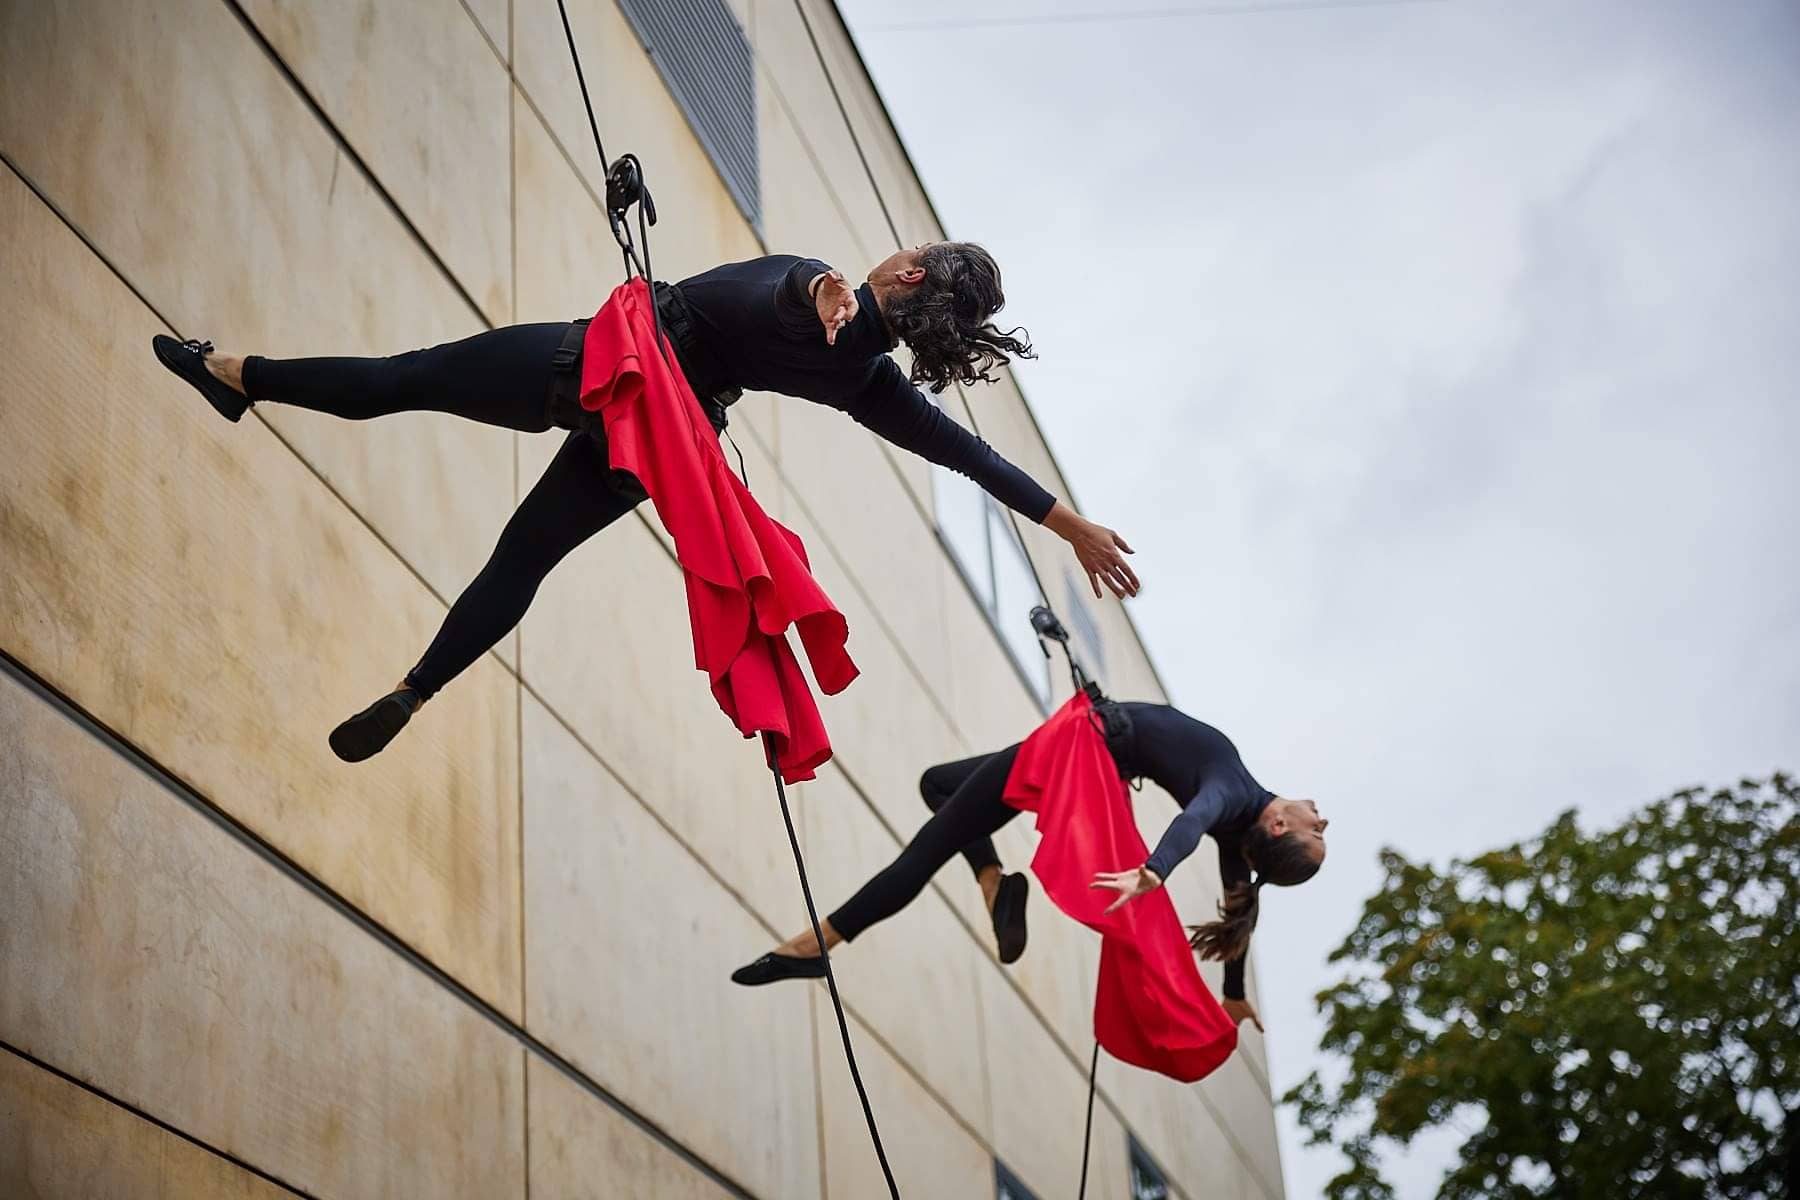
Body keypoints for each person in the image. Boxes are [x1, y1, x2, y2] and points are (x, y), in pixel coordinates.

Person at [151, 244, 1138, 762]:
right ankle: (419, 685)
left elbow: (807, 284)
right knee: (520, 560)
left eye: (900, 258)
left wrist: (831, 288)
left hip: (598, 369)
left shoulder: (821, 285)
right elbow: (966, 455)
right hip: (656, 445)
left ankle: (238, 375)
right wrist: (1070, 523)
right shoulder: (871, 385)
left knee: (402, 379)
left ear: (908, 273)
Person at [730, 700, 1326, 1033]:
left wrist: (1155, 870)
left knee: (928, 850)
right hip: (1089, 759)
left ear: (1279, 827)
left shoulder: (1227, 793)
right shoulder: (1240, 832)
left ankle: (816, 944)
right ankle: (995, 887)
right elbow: (1240, 902)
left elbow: (1192, 821)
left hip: (1079, 749)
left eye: (1314, 831)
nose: (1321, 818)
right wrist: (1231, 992)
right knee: (939, 785)